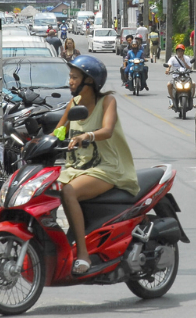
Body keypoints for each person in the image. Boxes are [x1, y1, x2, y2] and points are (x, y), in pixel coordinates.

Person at [55, 55, 139, 275]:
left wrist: (87, 136)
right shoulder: (73, 104)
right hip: (77, 168)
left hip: (107, 167)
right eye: (70, 77)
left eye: (74, 77)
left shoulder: (107, 102)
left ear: (89, 81)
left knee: (68, 193)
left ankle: (83, 255)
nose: (70, 81)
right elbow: (58, 132)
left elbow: (107, 130)